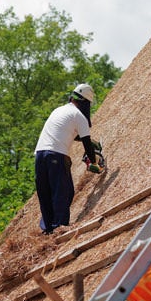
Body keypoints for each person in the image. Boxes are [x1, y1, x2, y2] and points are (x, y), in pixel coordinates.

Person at [34, 83, 103, 235]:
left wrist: (88, 143)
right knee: (63, 192)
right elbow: (86, 144)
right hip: (56, 155)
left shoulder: (59, 111)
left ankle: (48, 229)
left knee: (45, 193)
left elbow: (67, 132)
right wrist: (95, 162)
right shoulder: (79, 116)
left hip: (39, 155)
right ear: (86, 102)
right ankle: (59, 228)